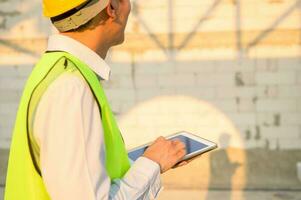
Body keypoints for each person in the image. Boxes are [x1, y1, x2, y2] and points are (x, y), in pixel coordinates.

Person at [4, 0, 190, 199]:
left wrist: (146, 161)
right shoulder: (71, 88)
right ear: (111, 7)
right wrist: (152, 164)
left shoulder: (54, 69)